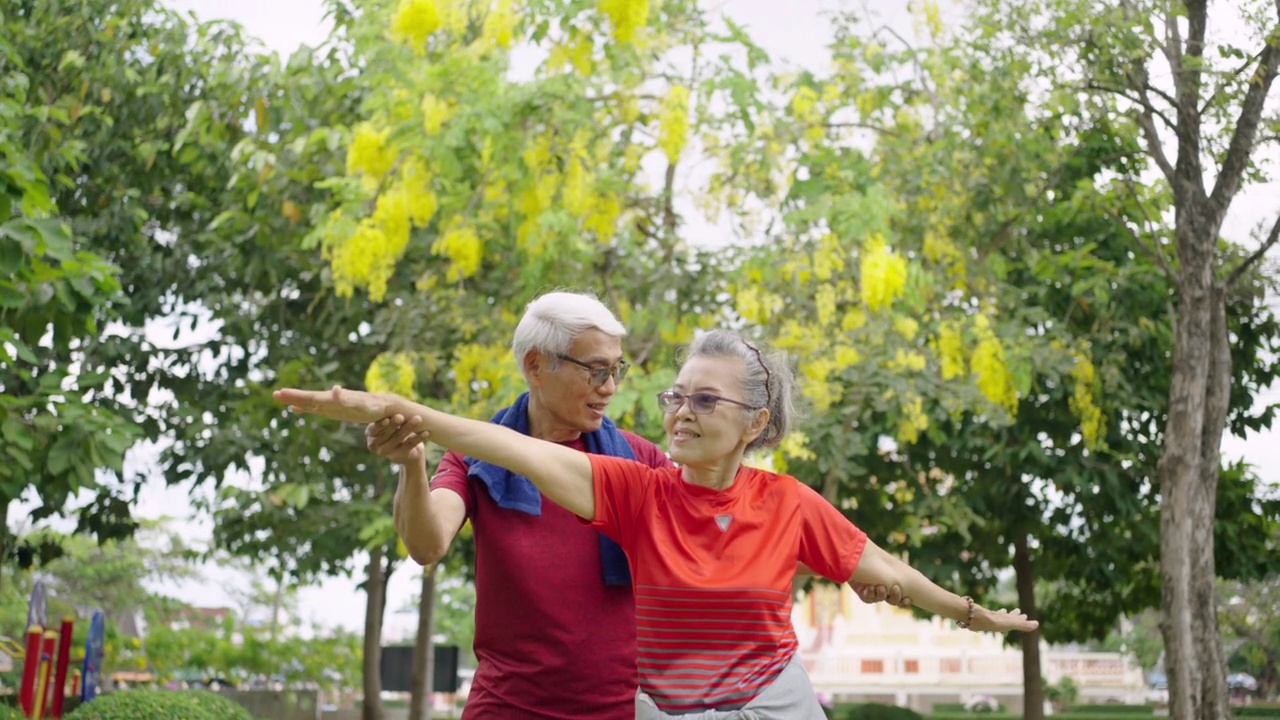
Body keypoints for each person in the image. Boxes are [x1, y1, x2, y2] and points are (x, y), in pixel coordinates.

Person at [275, 328, 1028, 719]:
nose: (680, 411)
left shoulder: (788, 503)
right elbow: (502, 446)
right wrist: (396, 410)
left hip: (776, 708)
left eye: (706, 402)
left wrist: (973, 612)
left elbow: (889, 571)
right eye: (676, 395)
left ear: (754, 423)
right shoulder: (635, 491)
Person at [370, 293, 902, 719]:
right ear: (536, 366)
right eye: (595, 371)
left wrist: (843, 566)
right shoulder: (478, 456)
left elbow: (721, 541)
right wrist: (411, 464)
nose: (610, 388)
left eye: (616, 371)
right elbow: (427, 543)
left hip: (625, 708)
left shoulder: (639, 460)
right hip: (509, 707)